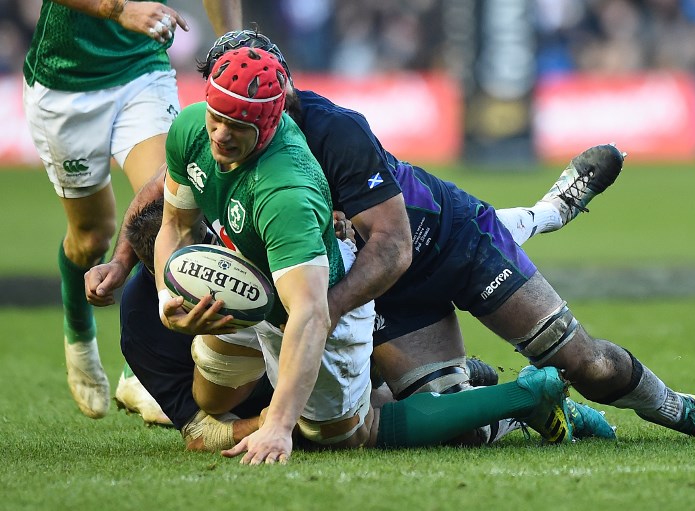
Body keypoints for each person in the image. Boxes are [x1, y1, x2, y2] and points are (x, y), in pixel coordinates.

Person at [153, 47, 587, 464]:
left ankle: (525, 396)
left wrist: (279, 427)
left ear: (270, 123)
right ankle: (445, 384)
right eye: (217, 117)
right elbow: (174, 224)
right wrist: (164, 299)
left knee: (343, 435)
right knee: (209, 397)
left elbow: (312, 313)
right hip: (252, 277)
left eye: (238, 126)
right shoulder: (192, 128)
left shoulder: (286, 192)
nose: (221, 134)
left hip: (314, 289)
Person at [120, 198, 610, 451]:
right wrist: (277, 423)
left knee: (355, 430)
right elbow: (201, 430)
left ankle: (521, 395)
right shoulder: (142, 327)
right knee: (379, 418)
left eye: (210, 237)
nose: (221, 251)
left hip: (334, 327)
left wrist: (333, 222)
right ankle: (518, 400)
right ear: (157, 273)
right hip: (277, 383)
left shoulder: (252, 227)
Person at [22, 0, 242, 420]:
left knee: (170, 206)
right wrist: (117, 10)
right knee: (91, 238)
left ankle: (142, 369)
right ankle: (79, 333)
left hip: (142, 68)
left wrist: (230, 44)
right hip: (66, 82)